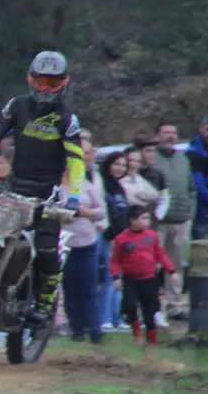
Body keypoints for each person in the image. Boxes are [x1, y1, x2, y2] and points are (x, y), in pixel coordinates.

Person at [0, 50, 85, 325]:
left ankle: (45, 303)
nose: (46, 89)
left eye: (53, 84)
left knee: (46, 249)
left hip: (47, 194)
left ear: (64, 84)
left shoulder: (66, 118)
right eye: (41, 82)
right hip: (15, 187)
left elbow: (76, 160)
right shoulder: (17, 106)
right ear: (30, 80)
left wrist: (73, 197)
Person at [110, 205, 178, 349]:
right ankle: (136, 332)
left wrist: (171, 270)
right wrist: (116, 277)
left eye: (147, 218)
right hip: (130, 279)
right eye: (143, 218)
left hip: (149, 279)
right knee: (130, 305)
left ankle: (152, 342)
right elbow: (115, 260)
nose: (147, 221)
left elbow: (160, 254)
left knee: (150, 311)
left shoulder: (152, 236)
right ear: (132, 221)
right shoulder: (121, 239)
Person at [60, 131, 106, 343]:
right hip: (65, 244)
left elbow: (101, 211)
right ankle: (77, 330)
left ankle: (95, 331)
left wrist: (86, 212)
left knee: (89, 289)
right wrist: (62, 214)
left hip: (88, 242)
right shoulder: (55, 187)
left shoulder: (85, 185)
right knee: (70, 289)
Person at [152, 120, 196, 319]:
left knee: (175, 265)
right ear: (157, 136)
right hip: (157, 222)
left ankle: (174, 304)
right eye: (166, 132)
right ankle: (152, 306)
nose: (171, 136)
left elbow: (192, 188)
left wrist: (190, 212)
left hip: (181, 220)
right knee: (152, 264)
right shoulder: (152, 158)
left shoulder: (183, 158)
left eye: (174, 133)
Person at [99, 151, 131, 332]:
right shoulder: (104, 185)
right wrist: (112, 237)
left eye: (123, 165)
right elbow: (108, 214)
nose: (120, 168)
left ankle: (116, 318)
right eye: (116, 164)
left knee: (120, 279)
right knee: (110, 278)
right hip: (109, 238)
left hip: (122, 238)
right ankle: (105, 319)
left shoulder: (119, 187)